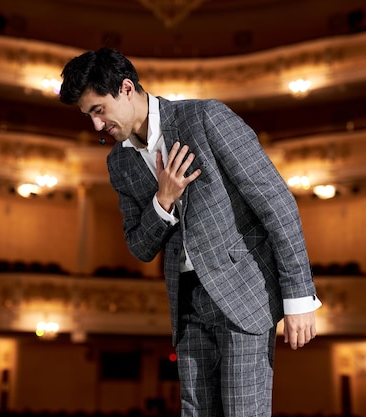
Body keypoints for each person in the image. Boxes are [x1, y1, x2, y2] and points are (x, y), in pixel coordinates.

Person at [59, 48, 322, 417]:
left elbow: (275, 202)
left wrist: (299, 296)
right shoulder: (119, 164)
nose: (96, 127)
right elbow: (139, 246)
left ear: (126, 88)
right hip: (186, 306)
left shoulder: (205, 118)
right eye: (89, 116)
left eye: (99, 110)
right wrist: (162, 202)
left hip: (242, 295)